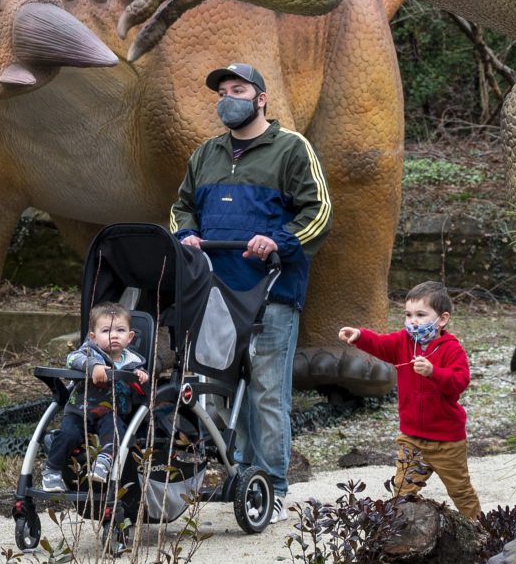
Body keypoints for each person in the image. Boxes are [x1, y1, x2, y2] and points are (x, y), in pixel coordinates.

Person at [170, 62, 331, 519]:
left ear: (260, 98)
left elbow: (318, 211)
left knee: (266, 391)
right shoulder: (206, 154)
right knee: (218, 389)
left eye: (237, 89)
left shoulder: (291, 149)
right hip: (214, 294)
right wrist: (186, 236)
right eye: (222, 91)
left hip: (271, 292)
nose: (227, 98)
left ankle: (274, 487)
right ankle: (242, 477)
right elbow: (181, 207)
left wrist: (277, 241)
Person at [339, 282, 481, 520]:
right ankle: (401, 535)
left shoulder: (452, 349)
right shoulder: (403, 341)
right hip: (412, 438)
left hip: (447, 441)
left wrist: (433, 372)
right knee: (402, 491)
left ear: (442, 319)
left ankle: (482, 533)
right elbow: (381, 344)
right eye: (408, 314)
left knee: (461, 491)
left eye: (421, 315)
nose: (413, 321)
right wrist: (360, 336)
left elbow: (460, 382)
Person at [39, 302, 149, 493]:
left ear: (130, 337)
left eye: (120, 330)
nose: (114, 335)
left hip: (110, 414)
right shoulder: (90, 353)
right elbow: (72, 359)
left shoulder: (133, 363)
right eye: (106, 331)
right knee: (68, 435)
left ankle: (104, 462)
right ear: (94, 337)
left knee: (116, 433)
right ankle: (51, 471)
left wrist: (141, 378)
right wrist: (94, 367)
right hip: (79, 412)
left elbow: (142, 392)